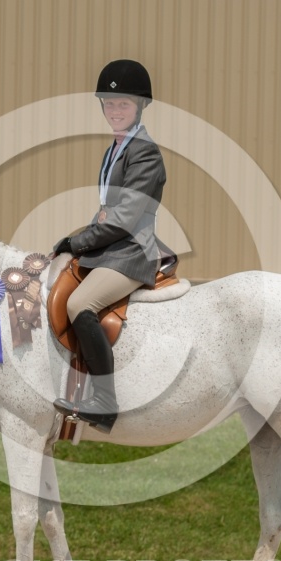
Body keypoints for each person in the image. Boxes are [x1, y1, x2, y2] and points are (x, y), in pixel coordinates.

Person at [52, 59, 175, 434]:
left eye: (123, 103)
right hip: (111, 248)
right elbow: (108, 211)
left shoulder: (145, 152)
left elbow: (123, 218)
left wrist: (78, 241)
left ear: (140, 106)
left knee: (79, 304)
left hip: (132, 252)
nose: (115, 110)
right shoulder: (116, 148)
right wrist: (83, 239)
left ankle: (105, 403)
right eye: (109, 103)